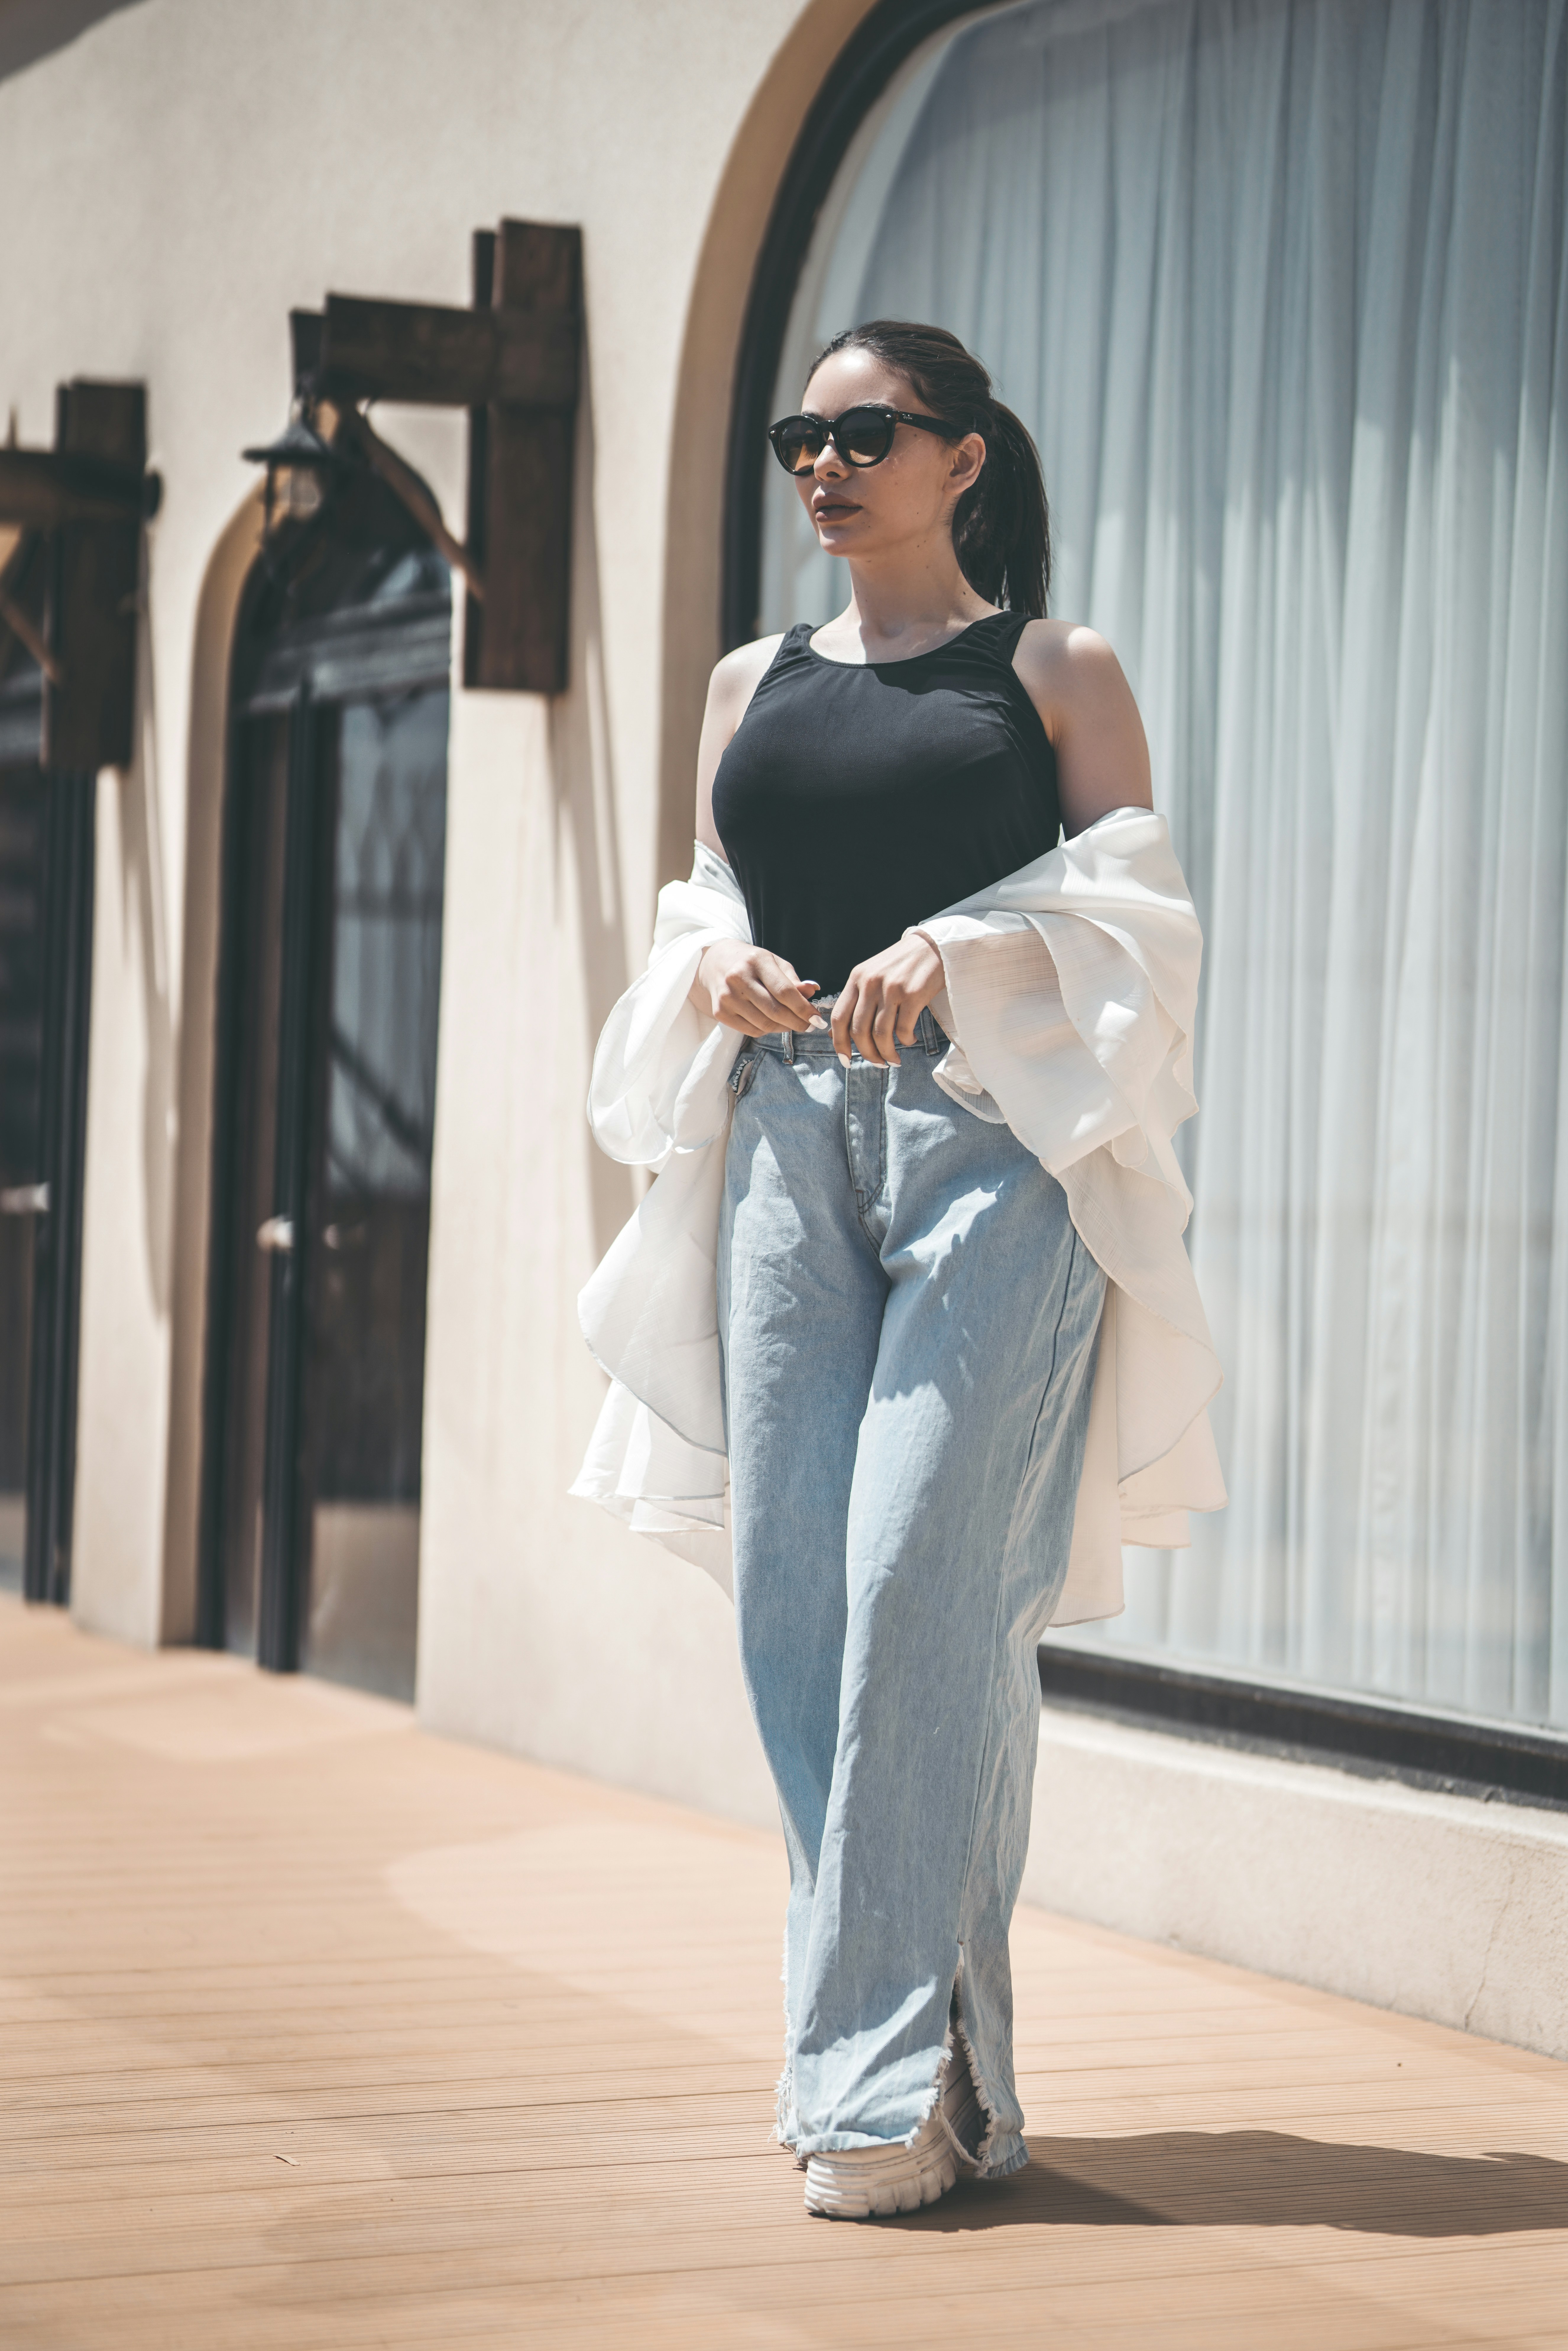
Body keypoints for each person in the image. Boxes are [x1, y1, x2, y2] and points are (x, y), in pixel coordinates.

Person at [573, 321, 1222, 2220]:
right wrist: (721, 965)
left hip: (992, 1160)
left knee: (913, 1579)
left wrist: (968, 942)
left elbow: (1144, 938)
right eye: (804, 435)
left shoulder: (1052, 670)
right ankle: (953, 2067)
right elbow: (703, 894)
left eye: (868, 433)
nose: (826, 462)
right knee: (802, 1600)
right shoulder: (744, 682)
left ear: (961, 459)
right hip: (782, 1136)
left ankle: (854, 2091)